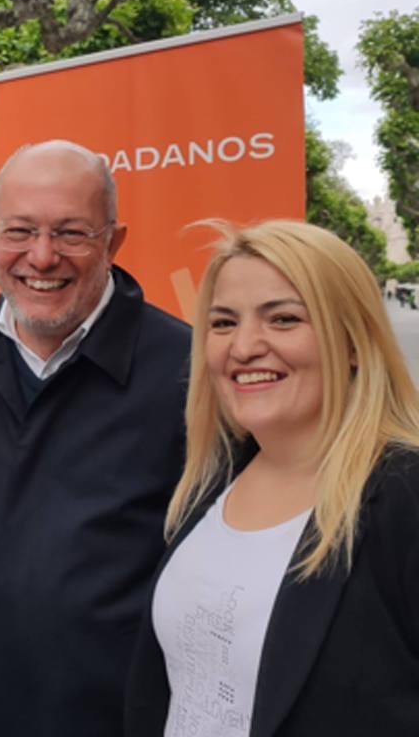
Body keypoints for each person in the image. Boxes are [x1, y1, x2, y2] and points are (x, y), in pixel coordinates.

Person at [0, 139, 191, 735]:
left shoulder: (189, 371)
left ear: (114, 241)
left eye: (72, 234)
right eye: (19, 231)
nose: (41, 257)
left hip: (126, 721)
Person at [126, 220, 419, 737]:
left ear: (353, 341)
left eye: (283, 319)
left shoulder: (404, 495)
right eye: (222, 323)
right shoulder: (214, 480)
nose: (243, 348)